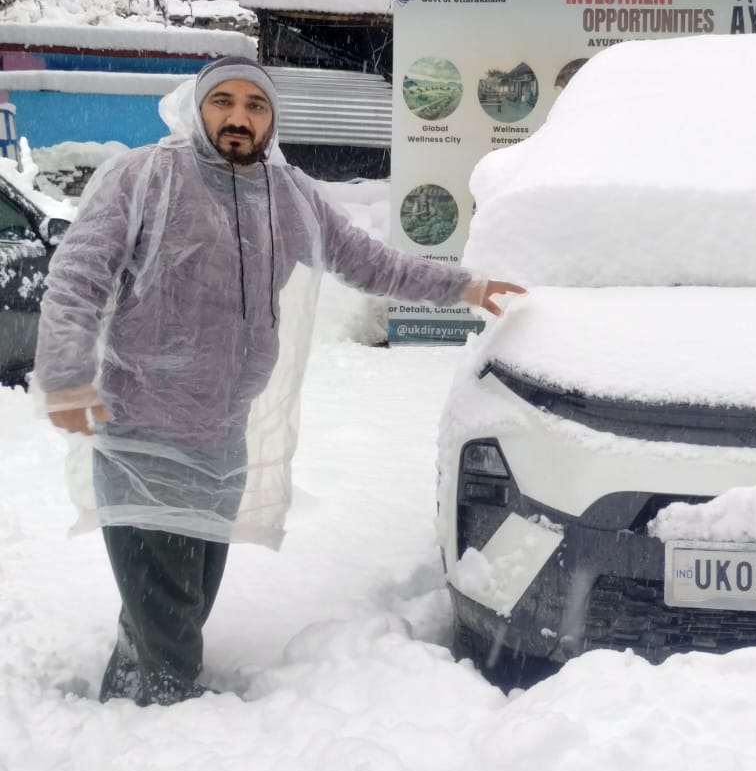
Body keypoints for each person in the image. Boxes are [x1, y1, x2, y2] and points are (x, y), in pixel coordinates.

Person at [34, 56, 523, 706]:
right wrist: (67, 378)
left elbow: (368, 261)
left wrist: (464, 285)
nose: (239, 117)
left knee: (178, 602)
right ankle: (165, 732)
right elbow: (77, 277)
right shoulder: (146, 177)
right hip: (142, 435)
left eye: (255, 106)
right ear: (199, 109)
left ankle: (124, 697)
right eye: (224, 102)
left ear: (270, 119)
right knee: (171, 616)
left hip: (220, 443)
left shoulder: (288, 195)